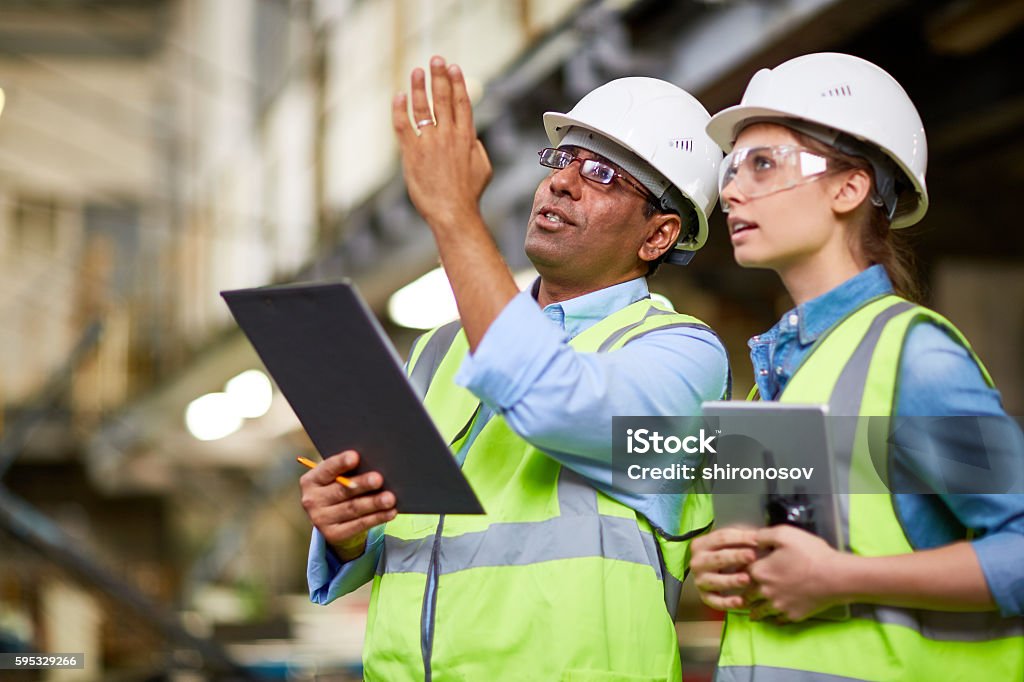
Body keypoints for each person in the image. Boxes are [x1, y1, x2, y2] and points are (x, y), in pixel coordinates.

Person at [299, 56, 728, 680]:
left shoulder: (680, 356)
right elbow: (403, 534)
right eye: (563, 160)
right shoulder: (441, 348)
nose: (562, 183)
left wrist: (453, 213)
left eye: (603, 174)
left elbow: (554, 401)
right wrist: (345, 530)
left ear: (659, 235)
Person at [691, 52, 1024, 681]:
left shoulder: (914, 357)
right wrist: (727, 563)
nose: (731, 191)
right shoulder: (774, 380)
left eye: (763, 164)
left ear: (850, 187)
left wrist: (840, 578)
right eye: (732, 169)